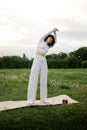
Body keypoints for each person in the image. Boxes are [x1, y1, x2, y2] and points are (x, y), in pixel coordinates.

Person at [27, 28, 59, 105]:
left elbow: (56, 41)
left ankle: (44, 99)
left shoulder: (48, 46)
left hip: (44, 60)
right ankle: (31, 100)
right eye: (50, 38)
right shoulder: (41, 41)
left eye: (51, 40)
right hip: (37, 59)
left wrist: (55, 34)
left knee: (44, 78)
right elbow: (46, 34)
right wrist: (52, 30)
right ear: (47, 38)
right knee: (33, 78)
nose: (50, 40)